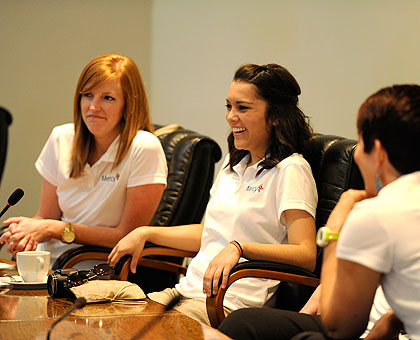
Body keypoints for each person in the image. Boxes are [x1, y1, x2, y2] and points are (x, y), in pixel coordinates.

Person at [108, 63, 318, 325]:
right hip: (184, 293)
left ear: (275, 115)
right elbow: (207, 233)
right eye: (229, 106)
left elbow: (306, 254)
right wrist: (146, 232)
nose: (231, 116)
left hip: (228, 304)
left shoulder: (291, 169)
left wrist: (239, 247)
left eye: (243, 108)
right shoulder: (235, 163)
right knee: (112, 320)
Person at [218, 84, 420, 340]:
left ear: (378, 153)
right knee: (245, 322)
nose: (231, 116)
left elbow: (340, 326)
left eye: (361, 146)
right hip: (384, 324)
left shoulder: (376, 212)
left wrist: (333, 231)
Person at [0, 53, 167, 266]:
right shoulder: (61, 137)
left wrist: (56, 229)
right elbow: (46, 215)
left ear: (128, 105)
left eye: (108, 98)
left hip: (94, 270)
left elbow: (127, 235)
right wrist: (24, 235)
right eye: (88, 95)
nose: (93, 107)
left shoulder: (144, 148)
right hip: (44, 265)